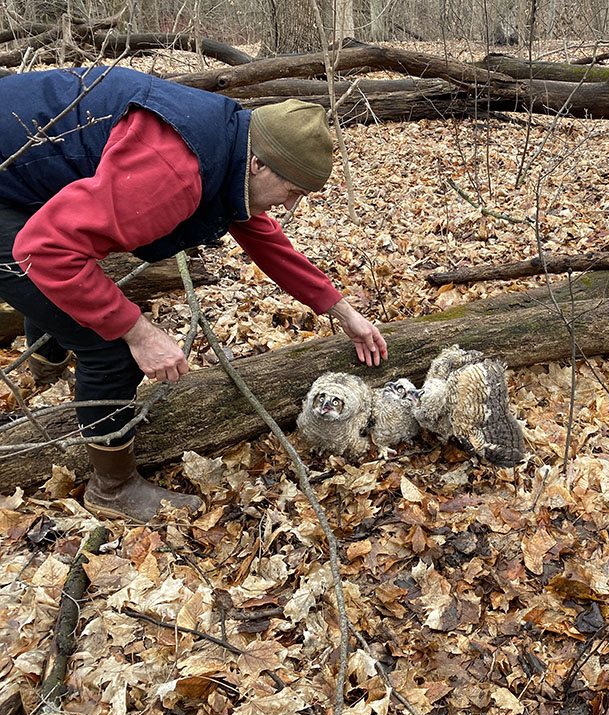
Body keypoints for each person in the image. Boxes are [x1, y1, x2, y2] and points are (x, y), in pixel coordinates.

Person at [0, 66, 387, 523]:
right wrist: (137, 333)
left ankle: (43, 364)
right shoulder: (174, 171)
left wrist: (342, 311)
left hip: (27, 172)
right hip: (10, 180)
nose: (289, 206)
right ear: (260, 164)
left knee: (84, 285)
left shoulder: (230, 143)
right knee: (109, 345)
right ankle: (113, 487)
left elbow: (263, 236)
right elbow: (45, 251)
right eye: (291, 191)